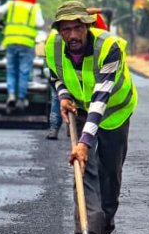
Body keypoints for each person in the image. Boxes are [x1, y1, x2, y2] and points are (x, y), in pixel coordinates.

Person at [46, 0, 137, 234]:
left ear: (87, 26)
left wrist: (85, 142)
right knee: (83, 169)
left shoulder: (109, 48)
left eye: (78, 28)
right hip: (80, 108)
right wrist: (64, 95)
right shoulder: (53, 47)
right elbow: (55, 75)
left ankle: (103, 226)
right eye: (66, 29)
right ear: (59, 31)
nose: (73, 35)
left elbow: (101, 98)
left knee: (110, 173)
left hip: (114, 111)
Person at [46, 10, 109, 139]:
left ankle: (60, 127)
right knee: (60, 98)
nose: (73, 34)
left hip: (90, 89)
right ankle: (59, 126)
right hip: (68, 78)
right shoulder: (56, 42)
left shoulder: (101, 40)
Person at [0, 0, 43, 110]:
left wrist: (1, 21)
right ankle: (21, 98)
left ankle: (11, 94)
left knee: (11, 70)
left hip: (11, 42)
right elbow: (40, 23)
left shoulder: (12, 4)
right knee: (24, 71)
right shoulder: (34, 8)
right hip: (26, 44)